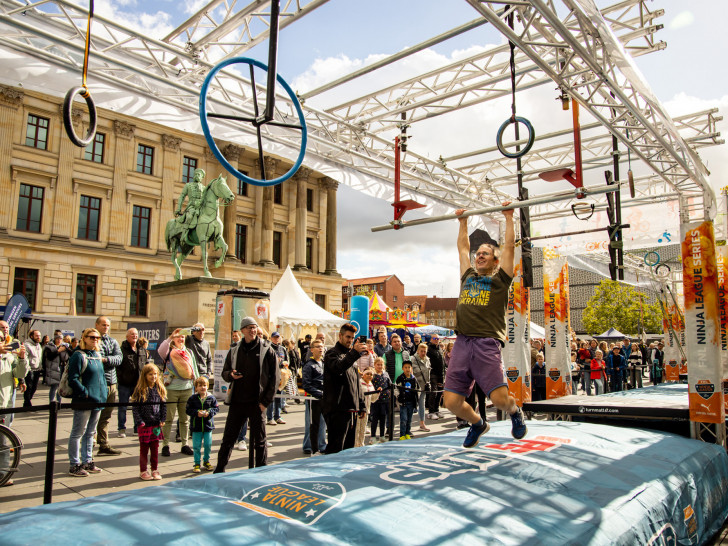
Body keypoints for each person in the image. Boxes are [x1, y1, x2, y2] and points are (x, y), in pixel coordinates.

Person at [443, 206, 527, 449]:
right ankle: (478, 423)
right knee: (451, 402)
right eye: (478, 253)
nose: (479, 256)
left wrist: (509, 217)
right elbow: (462, 248)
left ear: (495, 261)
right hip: (461, 342)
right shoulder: (467, 275)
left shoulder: (501, 280)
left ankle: (515, 411)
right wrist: (463, 221)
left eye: (485, 254)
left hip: (486, 343)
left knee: (500, 400)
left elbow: (510, 247)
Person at [214, 317, 278, 471]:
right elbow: (224, 372)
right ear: (242, 331)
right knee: (228, 438)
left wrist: (265, 402)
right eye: (248, 327)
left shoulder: (267, 349)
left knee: (260, 441)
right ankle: (219, 469)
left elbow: (275, 378)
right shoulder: (235, 349)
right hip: (237, 401)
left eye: (254, 327)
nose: (252, 330)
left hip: (257, 403)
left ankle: (261, 470)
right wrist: (231, 374)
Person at [67, 328, 107, 477]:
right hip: (84, 400)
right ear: (84, 338)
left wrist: (104, 393)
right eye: (92, 337)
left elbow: (102, 376)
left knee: (91, 432)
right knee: (78, 432)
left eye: (97, 338)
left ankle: (88, 460)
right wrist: (84, 392)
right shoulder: (78, 355)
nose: (95, 340)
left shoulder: (97, 355)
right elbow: (73, 378)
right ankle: (74, 464)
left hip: (98, 399)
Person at [322, 323, 366, 454]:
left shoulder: (351, 355)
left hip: (351, 408)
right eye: (348, 337)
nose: (350, 340)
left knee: (348, 449)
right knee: (336, 448)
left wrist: (362, 405)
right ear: (340, 336)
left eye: (352, 338)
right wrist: (354, 353)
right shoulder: (331, 353)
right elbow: (338, 368)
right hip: (337, 409)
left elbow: (356, 382)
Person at [157, 329, 199, 457]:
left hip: (186, 388)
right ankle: (165, 445)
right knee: (168, 418)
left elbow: (194, 368)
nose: (181, 339)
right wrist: (170, 336)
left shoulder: (188, 352)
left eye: (182, 337)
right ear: (174, 339)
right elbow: (160, 350)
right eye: (178, 337)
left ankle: (184, 444)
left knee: (185, 419)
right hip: (171, 389)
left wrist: (197, 383)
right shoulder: (169, 351)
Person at [131, 363, 167, 481]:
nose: (153, 376)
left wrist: (162, 419)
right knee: (144, 449)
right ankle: (143, 470)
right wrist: (139, 421)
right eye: (150, 374)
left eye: (155, 374)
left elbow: (163, 406)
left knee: (155, 448)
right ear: (145, 375)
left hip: (156, 424)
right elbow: (135, 408)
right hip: (144, 425)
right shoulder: (140, 390)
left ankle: (154, 469)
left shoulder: (160, 389)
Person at [94, 316, 123, 457]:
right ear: (97, 325)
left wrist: (105, 359)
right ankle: (89, 443)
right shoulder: (92, 338)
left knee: (106, 416)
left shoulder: (112, 341)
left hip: (112, 382)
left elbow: (119, 358)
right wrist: (106, 359)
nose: (106, 327)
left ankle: (103, 444)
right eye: (103, 325)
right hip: (96, 383)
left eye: (108, 325)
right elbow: (95, 358)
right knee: (93, 415)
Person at [186, 376, 219, 473]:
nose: (202, 387)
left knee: (208, 445)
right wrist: (197, 413)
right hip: (196, 427)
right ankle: (196, 463)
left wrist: (209, 412)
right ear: (196, 387)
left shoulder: (211, 398)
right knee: (196, 446)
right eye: (200, 386)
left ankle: (206, 461)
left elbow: (216, 408)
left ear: (207, 386)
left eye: (204, 385)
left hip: (208, 426)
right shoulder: (192, 398)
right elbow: (188, 410)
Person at [118, 328, 147, 438]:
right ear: (127, 337)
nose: (134, 336)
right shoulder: (122, 349)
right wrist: (121, 378)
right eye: (132, 334)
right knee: (123, 407)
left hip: (138, 384)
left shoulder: (141, 349)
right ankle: (121, 428)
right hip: (124, 384)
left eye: (136, 334)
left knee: (138, 407)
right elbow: (118, 367)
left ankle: (137, 427)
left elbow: (145, 365)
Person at [302, 339, 326, 455]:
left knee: (323, 423)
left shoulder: (324, 364)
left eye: (321, 346)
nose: (320, 349)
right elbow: (306, 384)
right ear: (312, 350)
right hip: (313, 399)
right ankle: (309, 445)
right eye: (317, 347)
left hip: (324, 399)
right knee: (311, 423)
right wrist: (319, 393)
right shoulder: (309, 365)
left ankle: (322, 445)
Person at [175, 167, 206, 245]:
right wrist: (178, 208)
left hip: (201, 208)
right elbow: (182, 196)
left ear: (202, 177)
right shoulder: (188, 185)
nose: (196, 176)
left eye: (198, 174)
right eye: (195, 174)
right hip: (191, 206)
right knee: (189, 217)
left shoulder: (204, 188)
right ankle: (184, 234)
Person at [355, 367, 379, 447]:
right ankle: (355, 444)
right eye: (367, 374)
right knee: (357, 429)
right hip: (358, 410)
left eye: (371, 374)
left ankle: (361, 444)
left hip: (367, 410)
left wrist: (377, 393)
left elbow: (373, 399)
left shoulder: (371, 385)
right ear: (363, 375)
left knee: (363, 429)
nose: (369, 376)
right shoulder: (359, 383)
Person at [267, 332, 287, 424]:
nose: (276, 339)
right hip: (271, 375)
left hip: (281, 375)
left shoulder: (282, 348)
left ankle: (278, 416)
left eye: (278, 337)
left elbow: (287, 360)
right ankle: (270, 417)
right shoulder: (268, 348)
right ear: (271, 338)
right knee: (271, 397)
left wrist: (285, 363)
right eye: (274, 337)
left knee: (279, 396)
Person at [410, 343, 432, 432]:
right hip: (414, 386)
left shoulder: (427, 359)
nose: (423, 353)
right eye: (421, 351)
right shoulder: (412, 359)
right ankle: (407, 426)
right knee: (411, 406)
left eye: (425, 351)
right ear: (418, 351)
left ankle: (422, 424)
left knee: (422, 405)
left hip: (424, 386)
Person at [370, 357, 391, 443]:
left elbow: (389, 383)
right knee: (375, 419)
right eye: (378, 364)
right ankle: (373, 436)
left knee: (383, 418)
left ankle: (382, 435)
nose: (379, 366)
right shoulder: (373, 375)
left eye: (381, 364)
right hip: (376, 400)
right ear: (374, 365)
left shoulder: (386, 374)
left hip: (385, 400)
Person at [396, 362, 419, 440]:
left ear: (411, 368)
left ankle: (407, 432)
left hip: (411, 402)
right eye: (405, 367)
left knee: (409, 419)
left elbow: (417, 388)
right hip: (403, 402)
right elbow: (396, 388)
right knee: (403, 419)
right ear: (402, 368)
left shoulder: (413, 378)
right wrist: (398, 396)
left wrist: (417, 400)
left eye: (409, 367)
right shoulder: (400, 378)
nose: (407, 369)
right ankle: (402, 434)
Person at [44, 333, 68, 403]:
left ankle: (59, 402)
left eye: (60, 339)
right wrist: (58, 351)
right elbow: (49, 357)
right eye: (57, 339)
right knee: (54, 387)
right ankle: (51, 402)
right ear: (54, 339)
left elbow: (68, 356)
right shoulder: (49, 347)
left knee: (60, 387)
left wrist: (66, 349)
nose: (59, 340)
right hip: (53, 369)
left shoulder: (64, 346)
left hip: (62, 368)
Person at [426, 335, 445, 420]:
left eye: (438, 339)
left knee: (440, 392)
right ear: (431, 339)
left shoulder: (440, 349)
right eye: (435, 339)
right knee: (433, 392)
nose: (436, 340)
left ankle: (437, 409)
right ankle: (431, 411)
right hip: (433, 373)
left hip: (440, 374)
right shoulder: (428, 349)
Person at [22, 330, 43, 407]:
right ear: (31, 336)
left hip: (37, 370)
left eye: (39, 336)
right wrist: (28, 368)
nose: (39, 337)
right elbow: (25, 358)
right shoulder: (27, 345)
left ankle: (28, 400)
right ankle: (27, 403)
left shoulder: (38, 345)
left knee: (34, 388)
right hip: (30, 370)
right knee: (29, 387)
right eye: (37, 336)